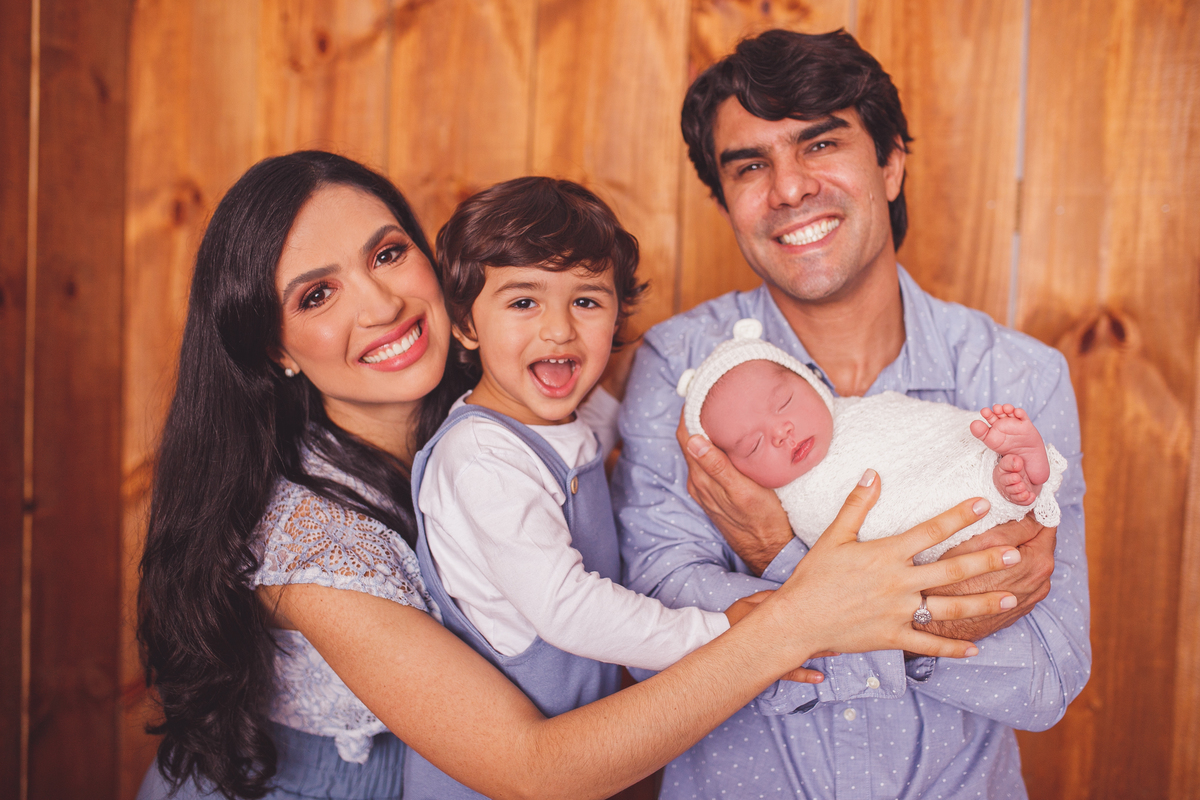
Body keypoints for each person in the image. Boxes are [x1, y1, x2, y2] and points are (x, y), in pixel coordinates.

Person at [134, 150, 1024, 800]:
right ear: (275, 348)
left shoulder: (533, 405)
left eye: (387, 253)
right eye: (317, 294)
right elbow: (534, 765)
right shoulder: (308, 541)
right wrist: (790, 621)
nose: (381, 302)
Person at [613, 29, 1090, 799]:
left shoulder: (1016, 376)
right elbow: (657, 647)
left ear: (891, 163)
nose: (788, 189)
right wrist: (933, 614)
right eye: (750, 166)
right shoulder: (679, 370)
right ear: (726, 202)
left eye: (821, 144)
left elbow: (1045, 676)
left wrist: (776, 560)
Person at [408, 177, 782, 797]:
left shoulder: (559, 422)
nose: (559, 329)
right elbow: (568, 608)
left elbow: (600, 430)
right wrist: (720, 636)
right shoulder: (481, 459)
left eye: (586, 301)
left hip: (582, 756)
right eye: (523, 302)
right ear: (466, 325)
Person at [680, 317, 1067, 564]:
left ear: (811, 380)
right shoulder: (779, 509)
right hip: (927, 548)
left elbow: (924, 429)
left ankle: (1004, 464)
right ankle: (1007, 482)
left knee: (960, 443)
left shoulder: (865, 410)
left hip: (953, 471)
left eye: (784, 403)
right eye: (753, 445)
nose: (781, 433)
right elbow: (833, 576)